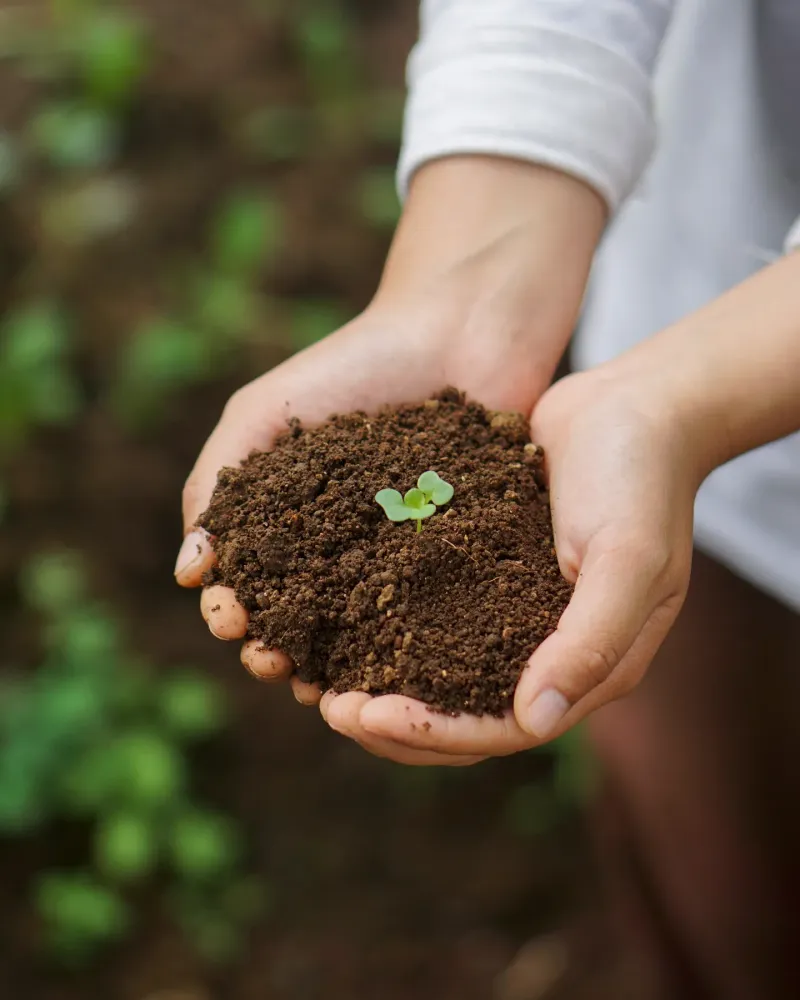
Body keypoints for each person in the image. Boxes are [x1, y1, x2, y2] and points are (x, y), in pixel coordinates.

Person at [175, 1, 800, 996]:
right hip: (676, 375)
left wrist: (686, 398)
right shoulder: (584, 467)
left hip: (687, 403)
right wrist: (458, 293)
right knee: (729, 883)